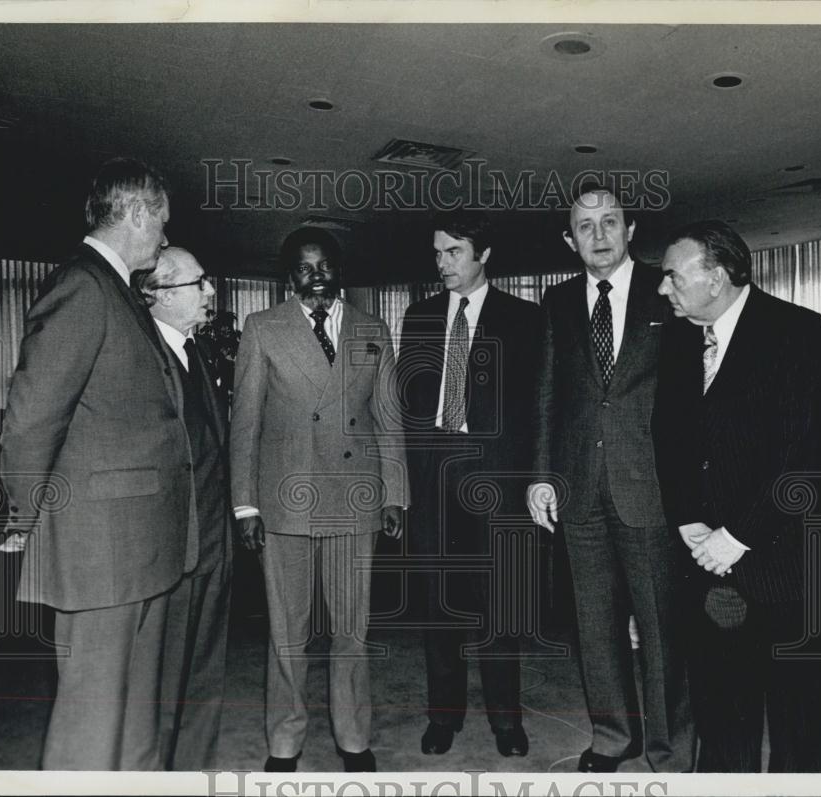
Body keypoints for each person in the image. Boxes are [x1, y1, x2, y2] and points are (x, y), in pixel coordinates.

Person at [0, 158, 193, 770]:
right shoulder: (82, 286)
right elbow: (33, 416)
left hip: (142, 545)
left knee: (136, 714)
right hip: (101, 547)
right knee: (91, 717)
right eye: (160, 221)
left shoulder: (117, 291)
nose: (164, 236)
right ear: (135, 212)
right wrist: (20, 518)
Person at [653, 219, 821, 771]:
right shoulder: (680, 338)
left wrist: (737, 537)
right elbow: (670, 435)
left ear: (720, 274)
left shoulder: (799, 332)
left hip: (785, 567)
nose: (663, 288)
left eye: (671, 276)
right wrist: (687, 521)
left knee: (797, 726)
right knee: (721, 720)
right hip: (706, 565)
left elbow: (802, 459)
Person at [527, 187, 692, 773]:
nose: (599, 235)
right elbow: (548, 393)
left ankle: (670, 752)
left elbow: (688, 396)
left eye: (610, 222)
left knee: (661, 628)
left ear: (631, 230)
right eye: (586, 226)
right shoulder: (559, 299)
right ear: (569, 240)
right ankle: (611, 736)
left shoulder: (665, 290)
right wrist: (541, 476)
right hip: (578, 487)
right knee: (594, 626)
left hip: (648, 487)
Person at [229, 227, 407, 773]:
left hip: (356, 501)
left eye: (326, 266)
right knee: (289, 636)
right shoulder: (263, 330)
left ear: (339, 271)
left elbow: (388, 421)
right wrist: (245, 505)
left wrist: (396, 494)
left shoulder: (373, 330)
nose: (318, 277)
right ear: (290, 276)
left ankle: (354, 739)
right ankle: (285, 742)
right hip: (286, 505)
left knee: (352, 633)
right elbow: (245, 424)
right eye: (306, 268)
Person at [398, 210, 541, 759]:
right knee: (439, 601)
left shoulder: (525, 320)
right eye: (437, 253)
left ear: (483, 256)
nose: (442, 264)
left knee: (498, 602)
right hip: (433, 473)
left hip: (498, 477)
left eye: (453, 252)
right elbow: (409, 403)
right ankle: (444, 716)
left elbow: (536, 408)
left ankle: (507, 720)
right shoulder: (420, 316)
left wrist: (532, 480)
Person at [135, 247, 232, 770]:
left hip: (214, 546)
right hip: (173, 552)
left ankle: (192, 772)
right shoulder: (143, 358)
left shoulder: (199, 352)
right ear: (161, 295)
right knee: (164, 683)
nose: (210, 292)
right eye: (200, 283)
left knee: (202, 676)